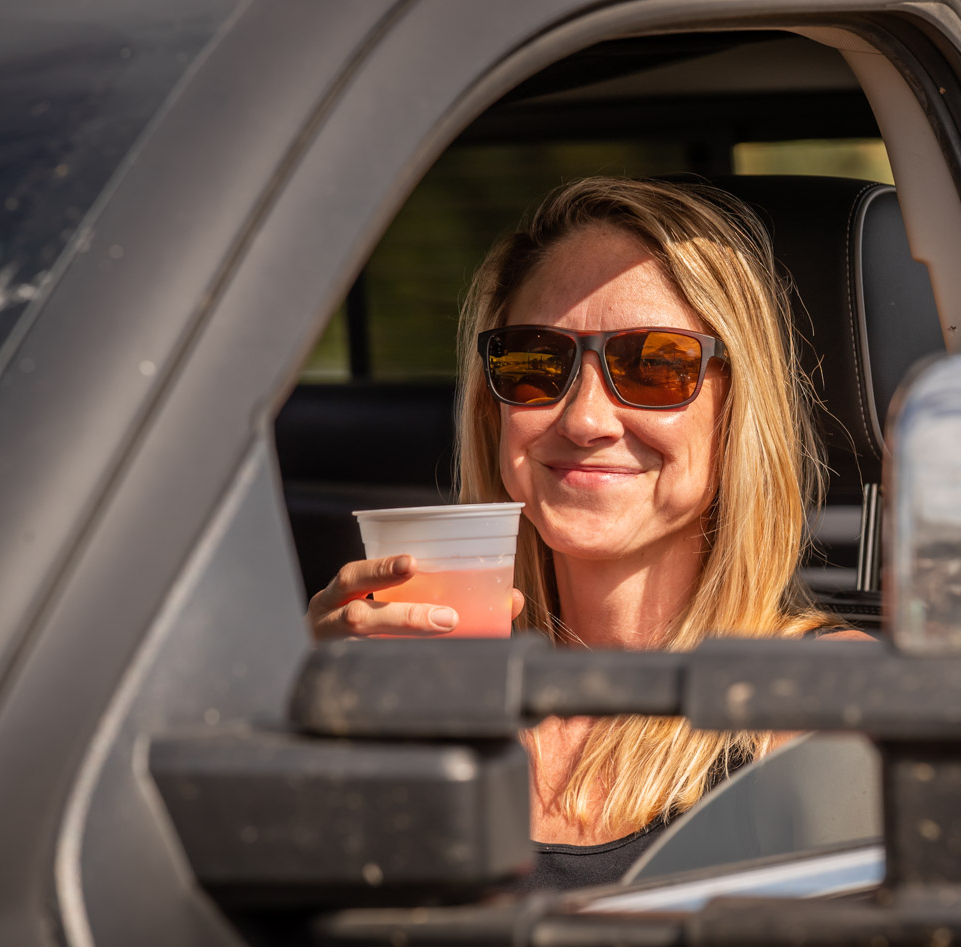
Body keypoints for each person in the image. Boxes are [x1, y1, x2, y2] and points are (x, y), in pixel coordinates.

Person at [306, 177, 868, 889]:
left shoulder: (824, 702)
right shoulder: (429, 680)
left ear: (735, 407)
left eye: (654, 364)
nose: (584, 420)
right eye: (536, 362)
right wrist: (310, 732)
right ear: (492, 407)